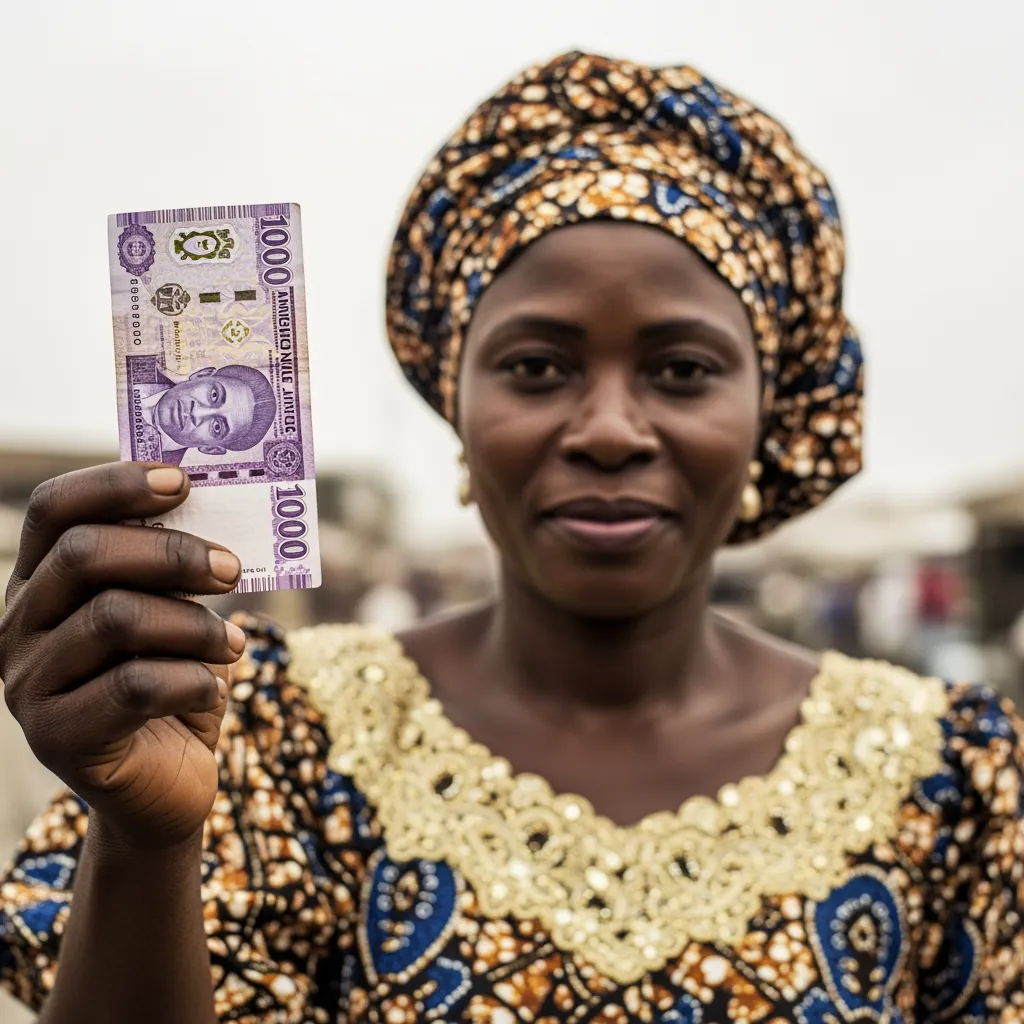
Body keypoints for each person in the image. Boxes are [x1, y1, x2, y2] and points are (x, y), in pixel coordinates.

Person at [1, 50, 1021, 1024]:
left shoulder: (954, 778)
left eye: (682, 370)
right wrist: (144, 839)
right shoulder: (263, 734)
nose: (612, 428)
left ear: (770, 409)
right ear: (457, 400)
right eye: (537, 367)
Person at [135, 362, 277, 465]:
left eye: (216, 427)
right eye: (214, 395)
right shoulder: (136, 368)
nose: (197, 413)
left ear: (211, 448)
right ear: (201, 375)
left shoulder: (161, 477)